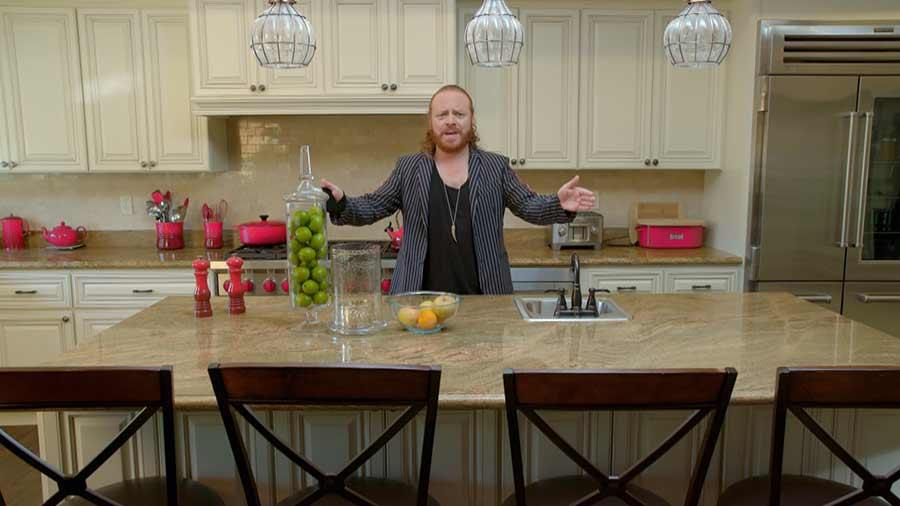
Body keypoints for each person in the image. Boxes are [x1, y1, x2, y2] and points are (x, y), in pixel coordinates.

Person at [322, 84, 596, 295]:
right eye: (442, 114)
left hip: (485, 299)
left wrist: (558, 204)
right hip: (418, 301)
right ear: (431, 122)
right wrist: (342, 203)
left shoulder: (495, 167)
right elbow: (373, 206)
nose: (450, 120)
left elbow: (528, 206)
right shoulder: (408, 168)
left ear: (471, 120)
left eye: (459, 114)